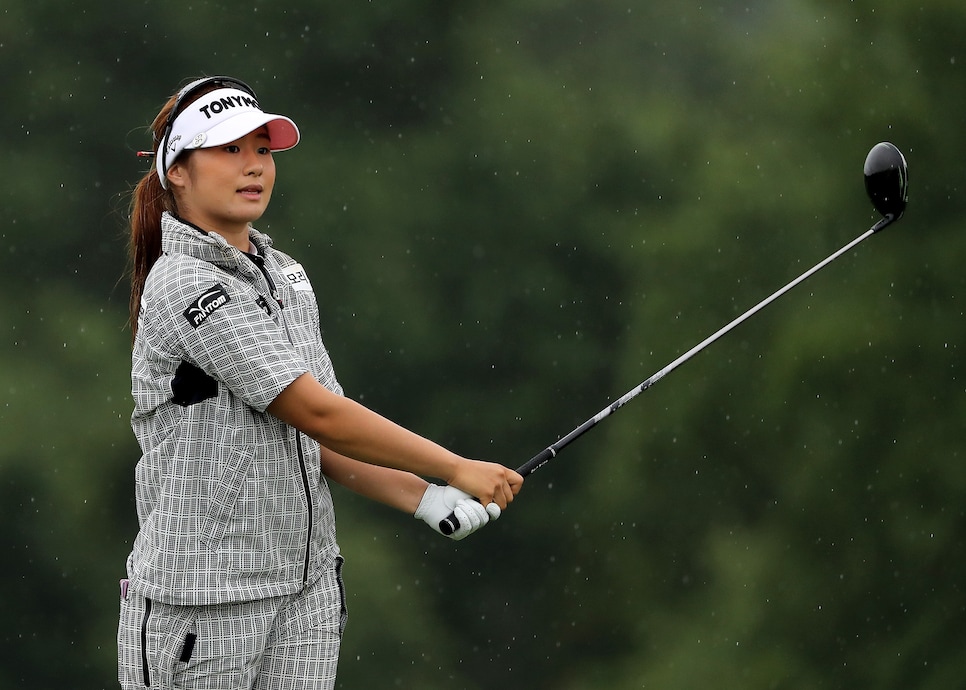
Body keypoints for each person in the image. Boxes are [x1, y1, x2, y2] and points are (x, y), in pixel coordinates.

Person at [117, 75, 524, 690]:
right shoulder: (183, 284)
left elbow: (321, 435)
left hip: (304, 600)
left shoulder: (286, 277)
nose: (254, 167)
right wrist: (456, 466)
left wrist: (425, 496)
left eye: (263, 150)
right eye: (229, 150)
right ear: (178, 171)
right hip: (200, 606)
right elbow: (318, 412)